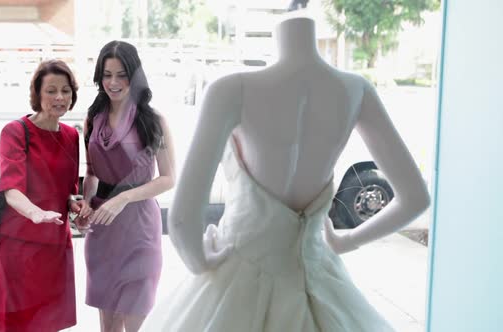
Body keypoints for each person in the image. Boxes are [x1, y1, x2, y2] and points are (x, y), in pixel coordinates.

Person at [140, 14, 431, 332]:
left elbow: (182, 221)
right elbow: (416, 199)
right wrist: (347, 241)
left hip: (236, 283)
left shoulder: (231, 89)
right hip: (319, 279)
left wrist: (200, 262)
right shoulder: (355, 90)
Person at [81, 41, 176, 332]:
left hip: (139, 229)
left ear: (134, 75)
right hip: (102, 229)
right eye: (107, 74)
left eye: (121, 74)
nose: (113, 82)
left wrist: (123, 199)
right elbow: (91, 172)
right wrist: (83, 203)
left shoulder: (153, 120)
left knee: (134, 321)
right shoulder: (92, 118)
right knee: (108, 327)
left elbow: (169, 178)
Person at [0, 59, 92, 332]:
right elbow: (11, 189)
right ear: (37, 93)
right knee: (19, 322)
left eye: (65, 90)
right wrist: (36, 213)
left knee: (50, 320)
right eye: (51, 90)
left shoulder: (72, 135)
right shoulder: (15, 132)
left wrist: (76, 205)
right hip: (20, 244)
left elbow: (68, 189)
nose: (59, 97)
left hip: (57, 243)